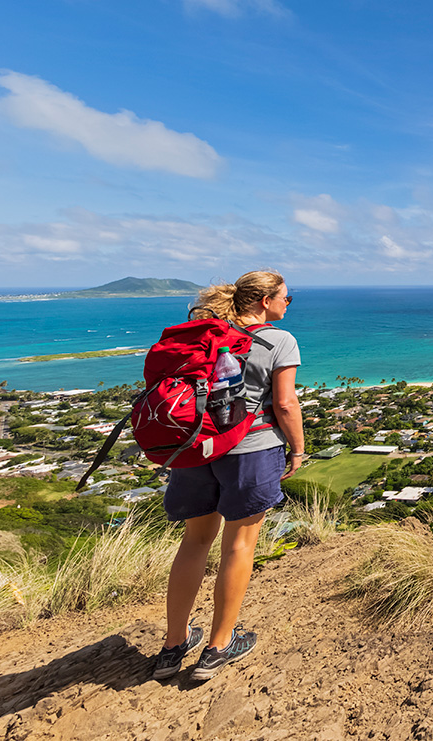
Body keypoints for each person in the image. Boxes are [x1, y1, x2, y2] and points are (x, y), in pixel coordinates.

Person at [152, 270, 305, 680]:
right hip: (250, 451)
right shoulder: (278, 341)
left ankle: (173, 645)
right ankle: (220, 645)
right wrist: (298, 449)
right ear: (264, 302)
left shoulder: (205, 336)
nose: (288, 305)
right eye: (286, 298)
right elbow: (286, 403)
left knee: (195, 541)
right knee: (239, 545)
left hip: (196, 449)